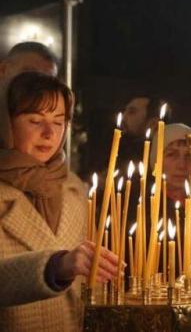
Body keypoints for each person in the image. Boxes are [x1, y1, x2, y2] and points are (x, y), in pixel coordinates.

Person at [0, 72, 118, 331]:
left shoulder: (72, 187)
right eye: (35, 120)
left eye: (58, 122)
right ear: (6, 123)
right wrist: (57, 266)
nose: (48, 133)